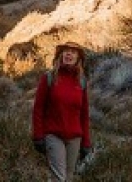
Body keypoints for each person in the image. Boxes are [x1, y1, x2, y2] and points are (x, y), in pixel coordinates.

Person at [32, 42, 93, 181]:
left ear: (78, 58)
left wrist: (86, 142)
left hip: (75, 138)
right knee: (59, 177)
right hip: (53, 135)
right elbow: (38, 109)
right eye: (66, 51)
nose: (69, 54)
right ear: (60, 55)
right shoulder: (48, 78)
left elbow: (84, 114)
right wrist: (38, 136)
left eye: (73, 52)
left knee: (69, 177)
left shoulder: (82, 82)